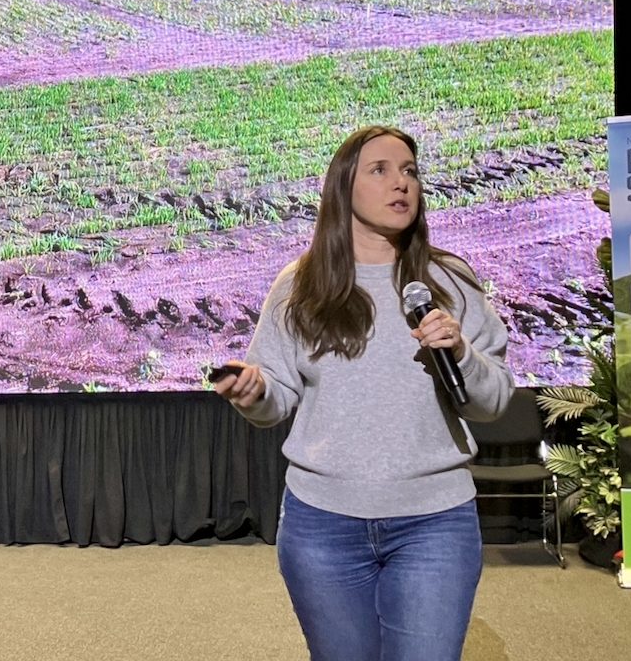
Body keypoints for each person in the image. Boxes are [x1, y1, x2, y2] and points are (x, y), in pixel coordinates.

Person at [213, 125, 514, 661]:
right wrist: (254, 394)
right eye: (380, 170)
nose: (401, 184)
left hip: (434, 523)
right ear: (343, 188)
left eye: (410, 172)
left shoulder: (449, 281)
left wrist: (462, 353)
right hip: (322, 525)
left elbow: (492, 403)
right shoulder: (300, 286)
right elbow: (277, 395)